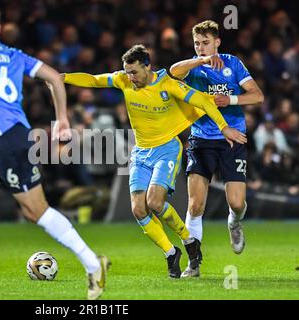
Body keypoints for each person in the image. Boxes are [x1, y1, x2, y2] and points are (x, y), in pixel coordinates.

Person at [0, 1, 109, 300]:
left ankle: (94, 264)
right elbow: (54, 77)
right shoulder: (15, 55)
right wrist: (62, 119)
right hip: (4, 138)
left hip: (9, 141)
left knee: (36, 211)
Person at [63, 44, 247, 278]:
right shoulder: (123, 80)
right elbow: (92, 80)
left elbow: (202, 101)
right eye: (127, 72)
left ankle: (188, 240)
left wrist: (224, 127)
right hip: (140, 152)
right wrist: (63, 78)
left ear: (147, 67)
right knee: (139, 209)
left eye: (134, 72)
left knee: (155, 202)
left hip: (167, 149)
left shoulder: (167, 83)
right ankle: (171, 253)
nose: (130, 77)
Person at [170, 20, 264, 277]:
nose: (200, 48)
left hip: (232, 138)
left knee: (236, 202)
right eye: (197, 44)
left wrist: (230, 99)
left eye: (206, 43)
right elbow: (173, 71)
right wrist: (200, 61)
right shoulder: (193, 67)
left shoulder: (232, 63)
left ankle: (234, 223)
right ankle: (194, 263)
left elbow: (257, 96)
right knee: (195, 205)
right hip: (201, 139)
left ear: (217, 42)